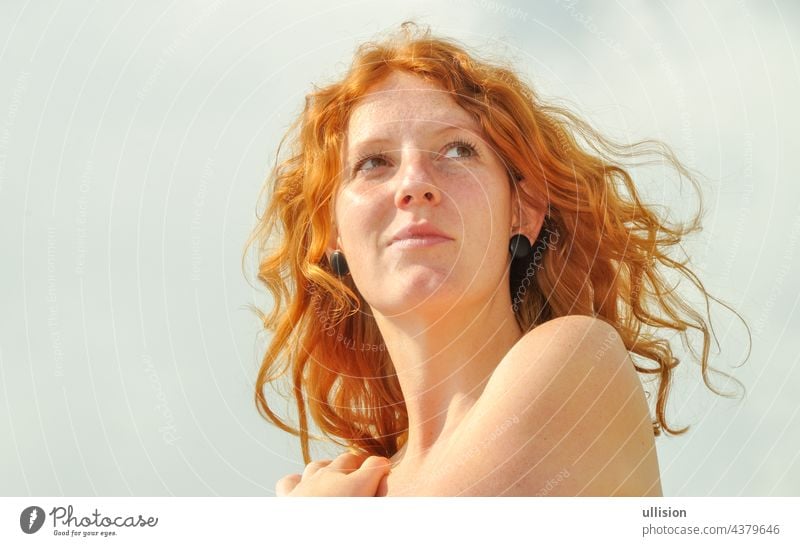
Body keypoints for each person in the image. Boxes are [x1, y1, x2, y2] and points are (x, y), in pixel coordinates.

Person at [245, 22, 745, 496]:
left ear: (521, 212)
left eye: (458, 151)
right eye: (374, 162)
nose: (414, 183)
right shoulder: (360, 491)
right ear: (331, 234)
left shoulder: (574, 360)